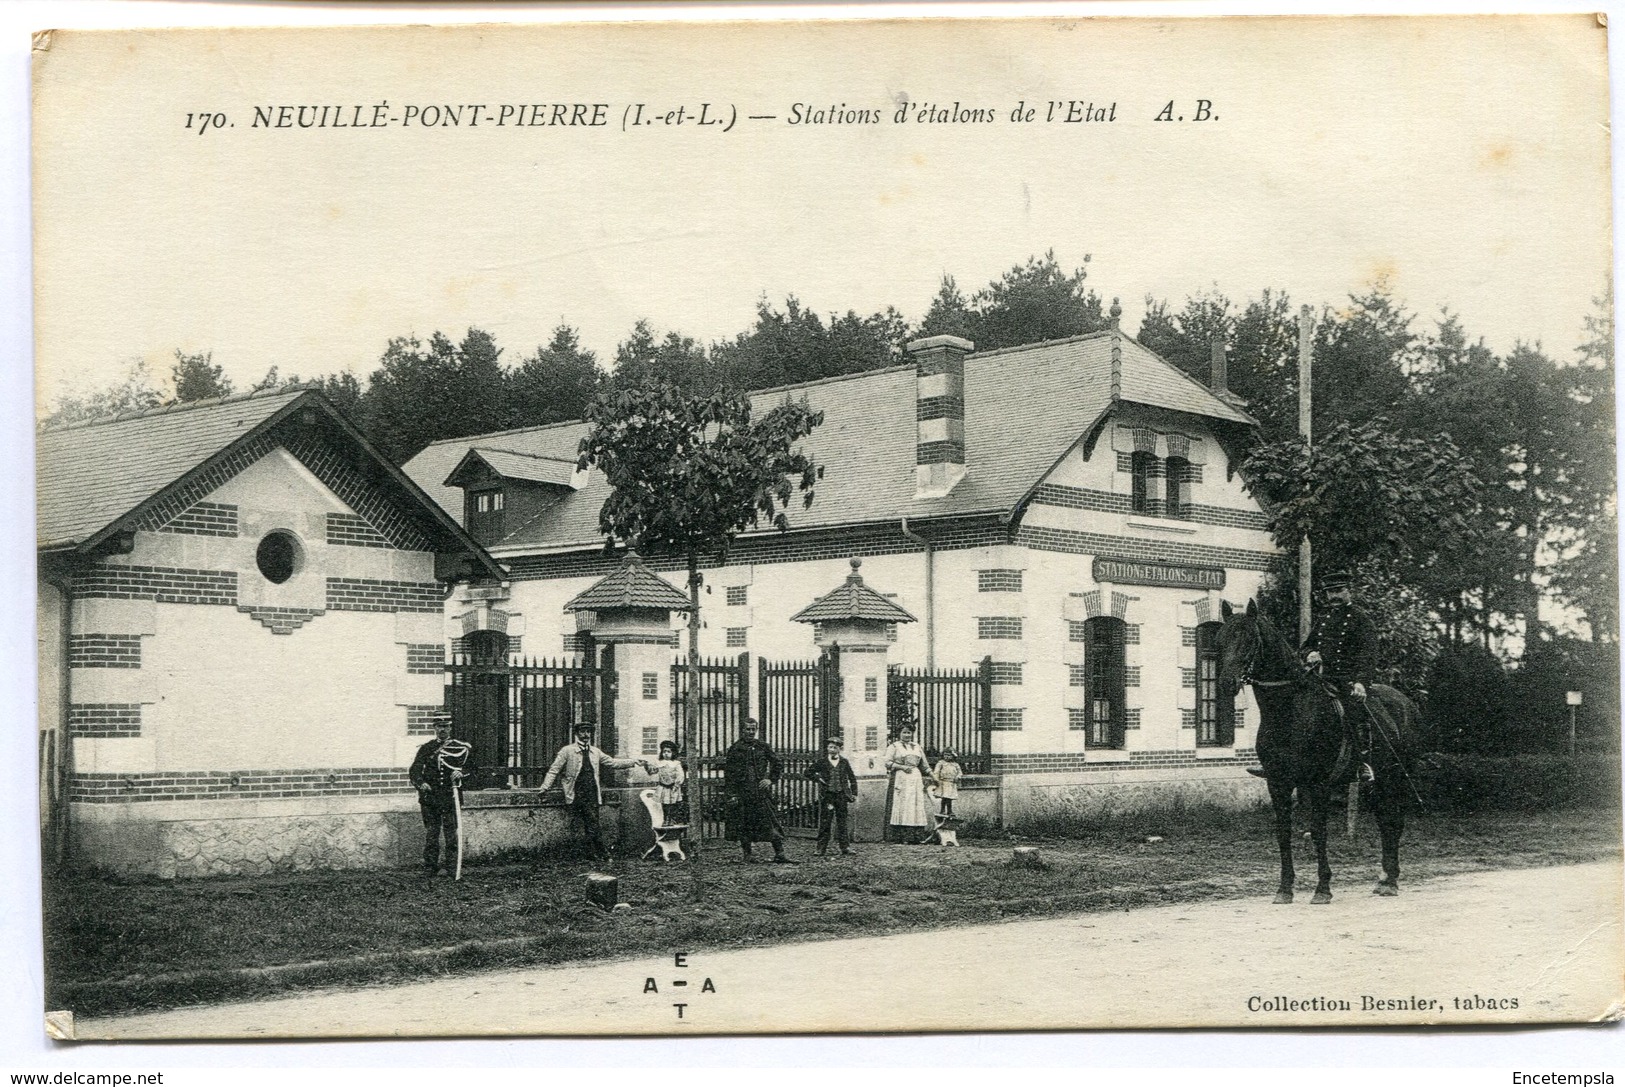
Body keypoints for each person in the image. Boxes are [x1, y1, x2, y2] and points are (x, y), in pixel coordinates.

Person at [1303, 569, 1381, 784]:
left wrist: (1361, 682)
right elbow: (1305, 646)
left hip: (1348, 681)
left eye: (1338, 591)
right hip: (1321, 679)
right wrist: (1310, 653)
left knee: (1354, 713)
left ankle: (1362, 764)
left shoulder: (1361, 620)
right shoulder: (1323, 619)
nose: (1333, 597)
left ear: (1349, 591)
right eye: (1329, 592)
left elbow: (1369, 654)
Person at [539, 722, 642, 862]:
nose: (586, 735)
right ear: (576, 733)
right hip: (577, 792)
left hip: (592, 792)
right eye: (582, 731)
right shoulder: (567, 751)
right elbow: (554, 770)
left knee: (591, 823)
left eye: (588, 732)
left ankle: (592, 853)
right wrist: (545, 788)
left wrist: (634, 762)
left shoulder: (595, 752)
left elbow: (612, 763)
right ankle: (602, 852)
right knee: (592, 821)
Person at [723, 718, 794, 863]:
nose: (750, 732)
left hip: (760, 792)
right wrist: (732, 794)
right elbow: (729, 774)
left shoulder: (762, 746)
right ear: (742, 730)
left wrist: (770, 780)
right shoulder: (735, 749)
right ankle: (748, 855)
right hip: (743, 792)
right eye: (748, 729)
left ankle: (780, 854)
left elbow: (777, 763)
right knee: (744, 822)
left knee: (770, 821)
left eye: (753, 729)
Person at [408, 714, 464, 876]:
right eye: (439, 726)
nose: (443, 729)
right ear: (434, 728)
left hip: (450, 798)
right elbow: (415, 770)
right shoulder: (426, 748)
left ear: (450, 728)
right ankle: (430, 867)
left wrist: (461, 773)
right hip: (430, 799)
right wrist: (421, 783)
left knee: (451, 834)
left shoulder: (459, 748)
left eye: (446, 726)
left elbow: (473, 770)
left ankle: (452, 868)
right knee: (432, 834)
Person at [804, 735, 859, 856]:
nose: (832, 749)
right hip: (828, 796)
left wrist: (854, 793)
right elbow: (807, 772)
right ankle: (820, 848)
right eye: (830, 747)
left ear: (839, 749)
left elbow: (852, 777)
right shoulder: (822, 762)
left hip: (841, 796)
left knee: (842, 822)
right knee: (825, 822)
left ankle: (845, 847)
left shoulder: (844, 762)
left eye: (835, 747)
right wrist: (818, 778)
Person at [884, 724, 932, 843]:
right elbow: (887, 763)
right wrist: (902, 767)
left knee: (915, 804)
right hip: (901, 777)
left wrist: (933, 776)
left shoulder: (917, 747)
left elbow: (924, 765)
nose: (907, 735)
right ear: (899, 733)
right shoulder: (894, 746)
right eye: (904, 732)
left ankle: (916, 836)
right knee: (902, 805)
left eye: (909, 732)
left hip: (915, 778)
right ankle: (901, 836)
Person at [642, 740, 687, 823]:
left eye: (668, 752)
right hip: (663, 787)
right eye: (664, 751)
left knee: (672, 804)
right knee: (664, 805)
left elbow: (680, 775)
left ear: (673, 753)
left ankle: (672, 819)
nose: (666, 753)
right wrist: (646, 765)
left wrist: (677, 784)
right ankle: (665, 819)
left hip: (673, 787)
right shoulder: (659, 763)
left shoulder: (676, 763)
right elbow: (652, 771)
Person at [931, 748, 964, 817]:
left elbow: (960, 772)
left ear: (953, 756)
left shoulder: (955, 765)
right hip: (943, 782)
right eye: (945, 755)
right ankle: (942, 810)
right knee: (944, 797)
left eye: (949, 755)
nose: (947, 757)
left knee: (949, 798)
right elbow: (936, 772)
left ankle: (949, 810)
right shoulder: (941, 763)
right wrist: (936, 779)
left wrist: (958, 777)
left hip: (951, 783)